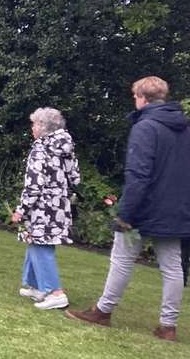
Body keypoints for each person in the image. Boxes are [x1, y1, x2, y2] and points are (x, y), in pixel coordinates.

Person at [67, 76, 190, 342]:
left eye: (135, 97)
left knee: (122, 258)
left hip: (144, 208)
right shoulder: (184, 128)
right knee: (172, 267)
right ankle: (168, 327)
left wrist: (126, 214)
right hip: (176, 208)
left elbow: (138, 174)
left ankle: (103, 311)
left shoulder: (146, 126)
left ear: (142, 98)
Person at [12, 108, 80, 310]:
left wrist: (21, 209)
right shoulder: (66, 147)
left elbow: (34, 184)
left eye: (34, 124)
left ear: (42, 127)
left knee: (41, 245)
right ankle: (36, 286)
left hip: (42, 207)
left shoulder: (41, 148)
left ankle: (55, 292)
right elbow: (75, 177)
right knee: (37, 242)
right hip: (59, 205)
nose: (32, 128)